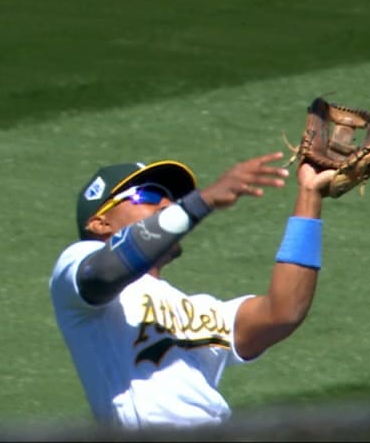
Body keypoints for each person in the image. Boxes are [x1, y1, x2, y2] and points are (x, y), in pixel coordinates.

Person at [49, 151, 336, 430]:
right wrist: (204, 200)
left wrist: (310, 195)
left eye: (171, 198)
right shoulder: (77, 265)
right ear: (100, 223)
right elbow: (102, 274)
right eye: (146, 195)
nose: (166, 203)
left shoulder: (200, 309)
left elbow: (283, 312)